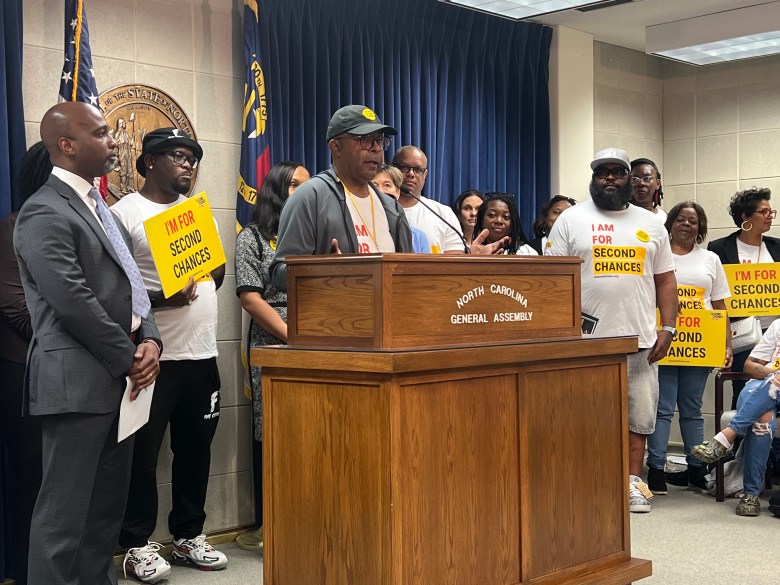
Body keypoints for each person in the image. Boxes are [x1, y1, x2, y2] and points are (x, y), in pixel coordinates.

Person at [13, 101, 162, 585]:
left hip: (121, 382)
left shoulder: (101, 209)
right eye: (101, 133)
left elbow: (131, 286)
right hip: (78, 383)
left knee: (103, 515)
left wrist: (153, 340)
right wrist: (128, 357)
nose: (114, 141)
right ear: (67, 145)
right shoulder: (43, 211)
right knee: (63, 519)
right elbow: (71, 300)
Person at [112, 127, 227, 581]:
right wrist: (164, 298)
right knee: (143, 455)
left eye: (192, 159)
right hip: (153, 358)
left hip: (202, 355)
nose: (187, 165)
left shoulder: (198, 215)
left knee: (196, 449)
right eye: (178, 156)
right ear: (150, 161)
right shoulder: (125, 214)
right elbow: (113, 292)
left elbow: (215, 273)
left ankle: (187, 535)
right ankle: (136, 543)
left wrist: (202, 282)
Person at [545, 147, 678, 514]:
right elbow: (552, 280)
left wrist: (668, 327)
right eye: (602, 172)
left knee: (637, 420)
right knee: (586, 416)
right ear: (593, 178)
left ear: (629, 179)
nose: (609, 178)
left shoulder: (651, 223)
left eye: (617, 173)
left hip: (640, 340)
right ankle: (588, 482)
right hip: (584, 343)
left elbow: (666, 280)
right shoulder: (571, 219)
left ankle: (632, 482)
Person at [233, 161, 310, 553]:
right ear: (277, 189)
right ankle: (270, 525)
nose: (305, 191)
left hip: (317, 338)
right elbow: (250, 298)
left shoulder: (312, 234)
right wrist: (293, 337)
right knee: (273, 428)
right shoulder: (254, 237)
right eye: (296, 184)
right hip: (275, 337)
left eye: (308, 185)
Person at [269, 105, 414, 291]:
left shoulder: (392, 208)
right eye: (365, 140)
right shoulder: (310, 197)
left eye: (379, 140)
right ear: (336, 147)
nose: (376, 148)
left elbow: (408, 274)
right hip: (332, 317)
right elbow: (279, 275)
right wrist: (322, 270)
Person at [645, 202, 733, 495]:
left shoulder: (710, 259)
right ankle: (656, 469)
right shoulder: (658, 255)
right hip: (664, 342)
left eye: (693, 221)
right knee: (662, 409)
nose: (686, 224)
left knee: (693, 409)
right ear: (669, 224)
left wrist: (726, 344)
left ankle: (697, 468)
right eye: (680, 219)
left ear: (700, 228)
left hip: (700, 345)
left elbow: (720, 304)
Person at [0, 142, 51, 585]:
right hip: (25, 375)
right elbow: (18, 313)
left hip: (74, 375)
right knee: (34, 483)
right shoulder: (13, 229)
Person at [692, 319, 780, 516]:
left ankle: (725, 438)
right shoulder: (778, 326)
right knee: (763, 416)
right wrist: (773, 375)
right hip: (762, 388)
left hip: (768, 386)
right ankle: (750, 496)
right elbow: (750, 366)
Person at [708, 187, 780, 409]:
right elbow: (716, 295)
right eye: (764, 212)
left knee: (776, 388)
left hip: (774, 331)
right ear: (746, 217)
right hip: (742, 333)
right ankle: (739, 442)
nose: (770, 216)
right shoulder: (719, 248)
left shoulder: (777, 247)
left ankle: (772, 444)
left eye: (771, 212)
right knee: (742, 391)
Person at [391, 145, 464, 254]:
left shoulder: (443, 214)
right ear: (393, 169)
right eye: (404, 167)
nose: (411, 174)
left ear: (425, 174)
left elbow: (454, 260)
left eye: (418, 170)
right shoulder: (378, 209)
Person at [372, 164, 431, 253]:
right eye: (374, 186)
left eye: (387, 185)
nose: (380, 191)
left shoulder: (418, 237)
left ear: (397, 192)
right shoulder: (358, 230)